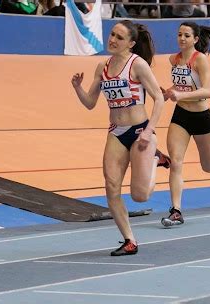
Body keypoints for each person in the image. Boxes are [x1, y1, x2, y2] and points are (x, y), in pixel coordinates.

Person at [71, 20, 170, 256]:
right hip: (116, 132)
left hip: (139, 132)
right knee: (111, 187)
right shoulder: (102, 67)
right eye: (112, 34)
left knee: (140, 195)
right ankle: (130, 240)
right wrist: (77, 87)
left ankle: (156, 159)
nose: (112, 39)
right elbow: (90, 103)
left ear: (131, 44)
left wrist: (148, 131)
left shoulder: (138, 65)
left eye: (119, 37)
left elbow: (159, 98)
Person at [161, 21, 210, 227]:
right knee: (176, 162)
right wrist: (167, 93)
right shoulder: (173, 59)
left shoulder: (200, 60)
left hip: (202, 118)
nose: (182, 38)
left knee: (208, 167)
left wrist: (180, 94)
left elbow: (207, 91)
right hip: (180, 116)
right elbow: (181, 84)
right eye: (179, 34)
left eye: (187, 35)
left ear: (196, 39)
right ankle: (176, 210)